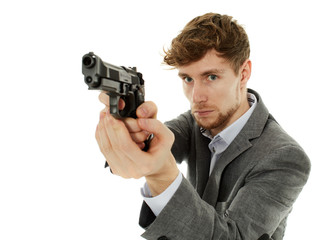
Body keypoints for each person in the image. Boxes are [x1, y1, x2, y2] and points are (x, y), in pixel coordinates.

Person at [95, 13, 311, 240]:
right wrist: (134, 131)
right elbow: (157, 143)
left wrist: (161, 175)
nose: (196, 97)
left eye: (211, 77)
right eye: (188, 79)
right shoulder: (195, 122)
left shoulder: (286, 158)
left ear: (243, 73)